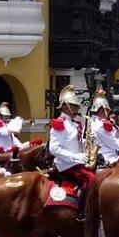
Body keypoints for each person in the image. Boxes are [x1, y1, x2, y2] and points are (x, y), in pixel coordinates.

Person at [48, 85, 95, 220]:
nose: (77, 109)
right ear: (65, 107)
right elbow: (54, 148)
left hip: (76, 162)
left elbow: (75, 143)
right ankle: (83, 213)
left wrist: (88, 144)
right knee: (91, 180)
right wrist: (74, 157)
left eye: (77, 106)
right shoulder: (60, 123)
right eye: (74, 106)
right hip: (66, 164)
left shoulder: (73, 124)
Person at [90, 90, 119, 166]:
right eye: (107, 110)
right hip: (108, 159)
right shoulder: (100, 125)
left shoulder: (90, 122)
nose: (108, 113)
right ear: (102, 110)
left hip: (99, 158)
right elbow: (117, 145)